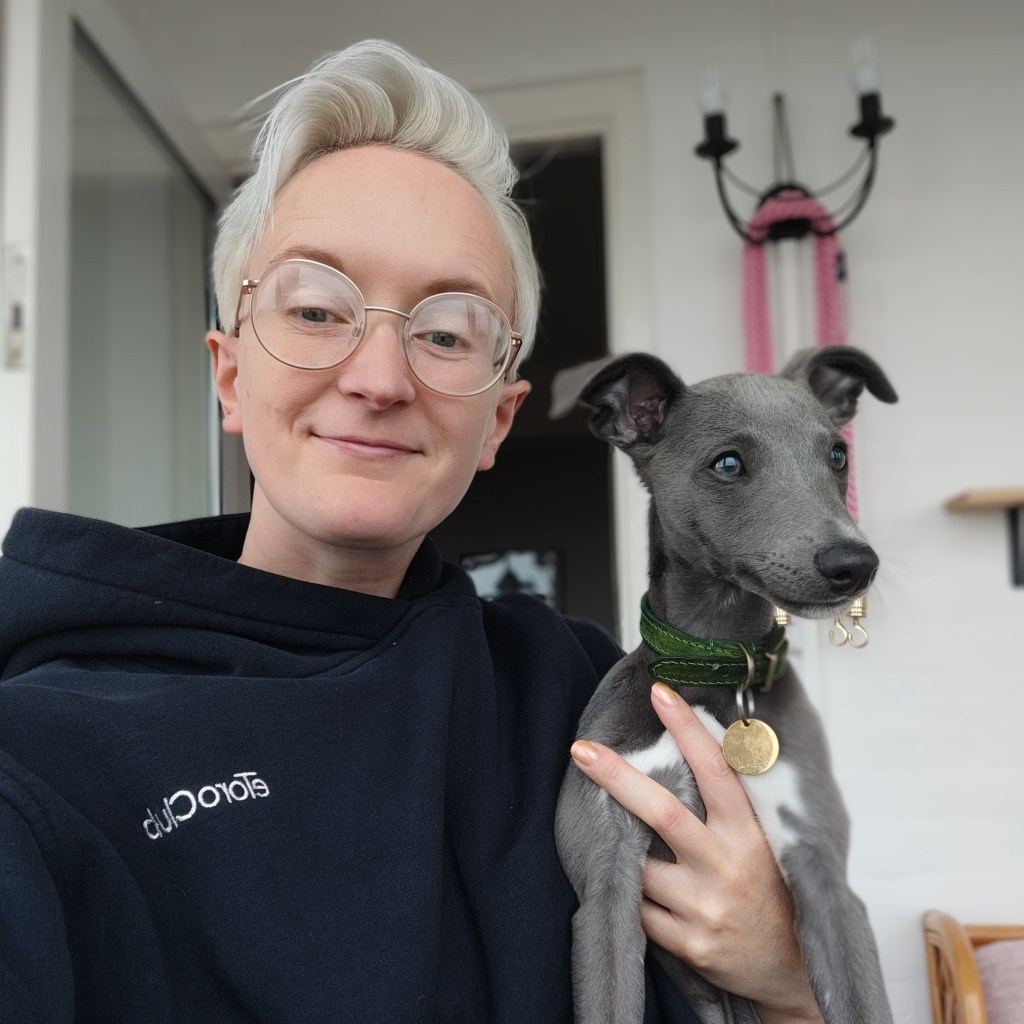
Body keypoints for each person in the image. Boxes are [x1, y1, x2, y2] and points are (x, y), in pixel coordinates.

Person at [0, 39, 824, 1024]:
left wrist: (784, 984)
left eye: (444, 332)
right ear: (229, 374)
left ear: (498, 421)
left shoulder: (587, 700)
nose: (380, 378)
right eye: (316, 309)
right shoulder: (40, 748)